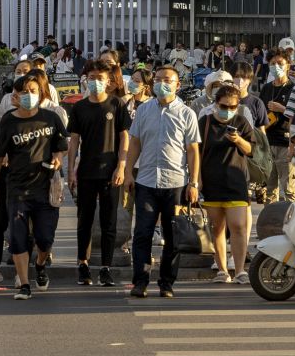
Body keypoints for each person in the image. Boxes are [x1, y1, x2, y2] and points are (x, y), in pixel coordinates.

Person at [0, 74, 68, 300]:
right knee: (17, 238)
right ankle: (24, 283)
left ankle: (41, 265)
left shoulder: (51, 118)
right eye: (23, 92)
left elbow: (61, 146)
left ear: (41, 93)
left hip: (45, 187)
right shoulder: (8, 121)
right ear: (16, 95)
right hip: (17, 189)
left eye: (33, 91)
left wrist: (58, 158)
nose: (28, 95)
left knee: (44, 238)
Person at [123, 65, 201, 299]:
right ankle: (140, 281)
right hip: (146, 181)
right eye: (158, 79)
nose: (162, 83)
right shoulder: (144, 110)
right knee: (143, 234)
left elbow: (193, 150)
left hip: (175, 182)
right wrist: (128, 172)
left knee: (173, 235)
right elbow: (134, 143)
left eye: (167, 80)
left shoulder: (186, 113)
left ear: (178, 84)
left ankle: (166, 283)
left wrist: (194, 183)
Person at [66, 59, 131, 287]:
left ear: (109, 81)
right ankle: (83, 265)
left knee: (108, 221)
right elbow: (74, 140)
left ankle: (106, 267)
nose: (95, 82)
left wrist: (122, 166)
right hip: (85, 172)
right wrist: (70, 169)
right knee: (84, 220)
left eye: (100, 78)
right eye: (91, 78)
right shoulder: (80, 107)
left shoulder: (117, 105)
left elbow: (125, 137)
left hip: (111, 171)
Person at [197, 83, 255, 285]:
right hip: (211, 182)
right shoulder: (204, 122)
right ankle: (222, 270)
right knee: (217, 228)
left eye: (232, 107)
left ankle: (240, 270)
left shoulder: (241, 122)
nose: (228, 110)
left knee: (238, 226)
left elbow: (250, 150)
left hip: (236, 181)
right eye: (224, 106)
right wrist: (197, 180)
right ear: (215, 104)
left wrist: (238, 139)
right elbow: (195, 152)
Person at [259, 51, 295, 202]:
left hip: (285, 142)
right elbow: (260, 113)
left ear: (288, 65)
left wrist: (282, 108)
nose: (276, 67)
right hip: (268, 141)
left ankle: (292, 222)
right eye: (272, 64)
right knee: (269, 189)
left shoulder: (294, 88)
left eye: (280, 63)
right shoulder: (266, 88)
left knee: (289, 189)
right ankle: (268, 222)